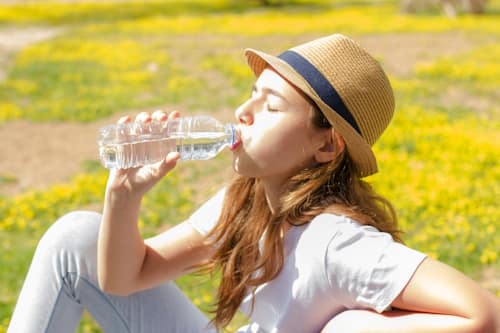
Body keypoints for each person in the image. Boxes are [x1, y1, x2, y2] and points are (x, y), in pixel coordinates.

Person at [8, 34, 500, 333]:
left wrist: (355, 327)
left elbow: (483, 316)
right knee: (75, 237)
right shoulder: (244, 203)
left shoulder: (336, 241)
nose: (243, 112)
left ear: (326, 147)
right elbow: (123, 279)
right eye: (252, 94)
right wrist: (124, 197)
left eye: (271, 106)